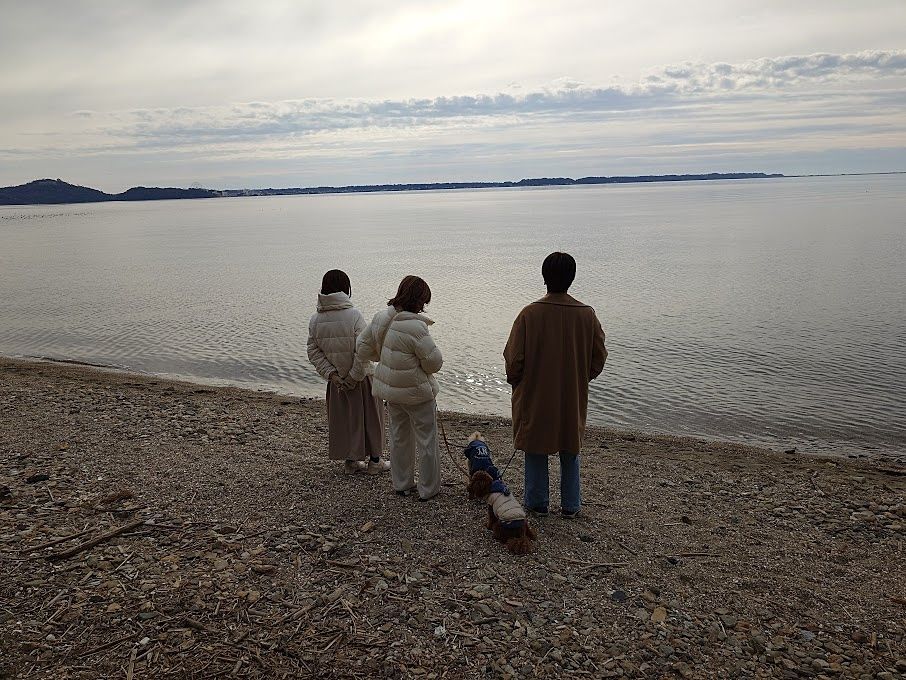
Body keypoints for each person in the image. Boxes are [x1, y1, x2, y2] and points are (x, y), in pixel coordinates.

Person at [503, 252, 607, 518]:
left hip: (536, 394)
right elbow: (599, 357)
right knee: (570, 447)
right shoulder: (587, 315)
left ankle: (538, 504)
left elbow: (513, 360)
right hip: (572, 395)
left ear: (544, 276)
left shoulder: (529, 314)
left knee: (536, 446)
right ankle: (571, 505)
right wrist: (580, 377)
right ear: (572, 278)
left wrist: (517, 381)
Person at [349, 275, 442, 500]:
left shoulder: (381, 318)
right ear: (418, 301)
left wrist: (384, 356)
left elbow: (361, 348)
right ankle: (428, 489)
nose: (424, 307)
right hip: (418, 393)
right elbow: (434, 362)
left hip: (391, 391)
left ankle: (402, 484)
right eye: (424, 302)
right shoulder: (416, 327)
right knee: (427, 440)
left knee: (400, 437)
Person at [307, 269, 390, 475]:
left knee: (345, 420)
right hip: (362, 379)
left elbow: (313, 352)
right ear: (346, 289)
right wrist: (353, 376)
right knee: (372, 419)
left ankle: (351, 462)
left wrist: (334, 375)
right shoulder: (354, 315)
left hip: (336, 382)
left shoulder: (315, 320)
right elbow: (363, 351)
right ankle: (375, 461)